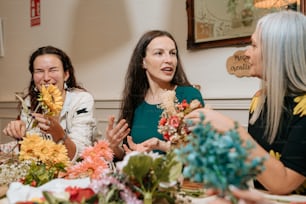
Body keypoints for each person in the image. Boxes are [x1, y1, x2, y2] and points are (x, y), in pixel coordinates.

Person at [185, 10, 306, 195]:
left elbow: (284, 183)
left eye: (254, 45)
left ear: (277, 53)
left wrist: (232, 130)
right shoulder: (259, 101)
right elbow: (256, 167)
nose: (247, 53)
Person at [106, 30, 204, 160]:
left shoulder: (189, 96)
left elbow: (198, 153)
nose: (169, 60)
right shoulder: (135, 100)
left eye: (173, 53)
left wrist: (160, 145)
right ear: (143, 62)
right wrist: (113, 147)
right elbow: (129, 154)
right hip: (144, 178)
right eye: (159, 53)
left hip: (181, 179)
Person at [1, 46, 97, 161]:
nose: (46, 78)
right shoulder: (29, 102)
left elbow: (79, 155)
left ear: (66, 75)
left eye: (53, 70)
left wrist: (59, 134)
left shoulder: (82, 100)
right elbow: (29, 151)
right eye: (39, 71)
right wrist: (20, 135)